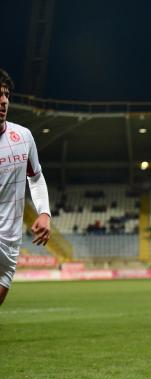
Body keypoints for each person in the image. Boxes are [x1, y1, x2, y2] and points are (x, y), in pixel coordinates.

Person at [0, 69, 51, 306]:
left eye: (6, 94)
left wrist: (44, 212)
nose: (3, 101)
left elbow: (36, 177)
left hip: (10, 240)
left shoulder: (23, 136)